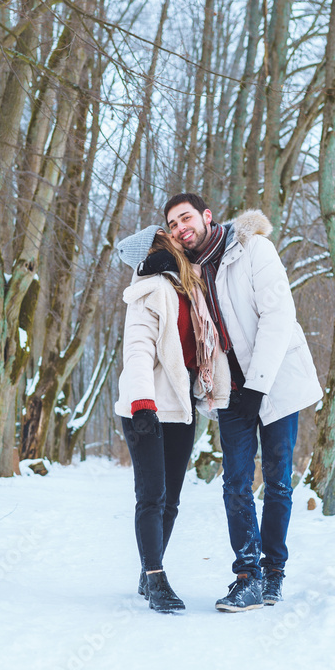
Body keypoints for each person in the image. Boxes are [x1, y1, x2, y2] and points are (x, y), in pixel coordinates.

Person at [139, 193, 322, 612]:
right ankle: (247, 576)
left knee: (276, 479)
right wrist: (152, 267)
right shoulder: (190, 271)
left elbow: (279, 316)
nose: (181, 227)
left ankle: (274, 572)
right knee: (236, 483)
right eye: (173, 224)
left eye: (186, 218)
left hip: (273, 382)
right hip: (231, 392)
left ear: (206, 216)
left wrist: (258, 385)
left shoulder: (254, 249)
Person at [115, 225, 231, 613]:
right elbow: (137, 350)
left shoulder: (187, 286)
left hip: (179, 407)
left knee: (172, 500)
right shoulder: (150, 288)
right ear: (157, 247)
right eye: (167, 238)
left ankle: (150, 570)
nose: (179, 239)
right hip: (146, 407)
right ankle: (155, 577)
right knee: (152, 496)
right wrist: (142, 403)